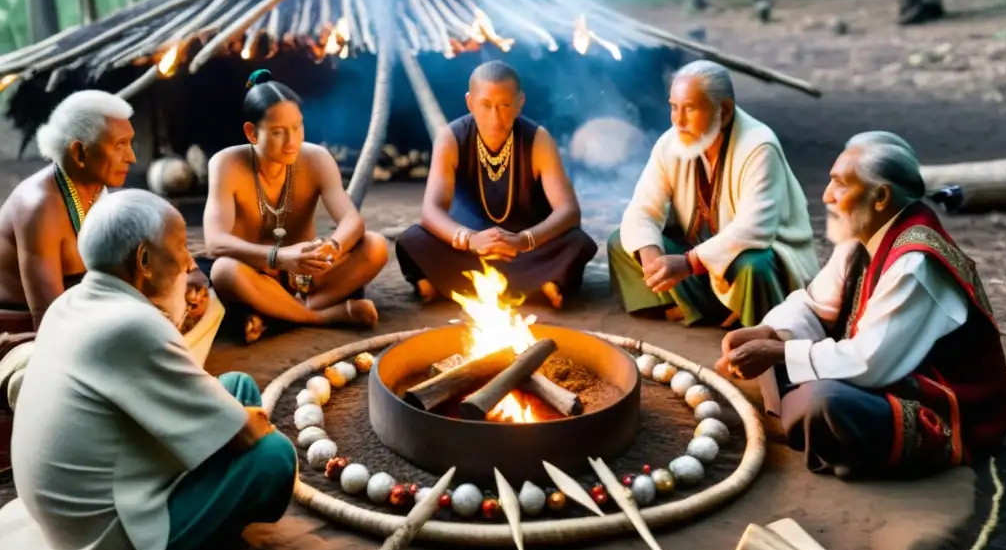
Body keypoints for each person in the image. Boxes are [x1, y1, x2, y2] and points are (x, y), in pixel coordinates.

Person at [0, 189, 297, 550]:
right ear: (143, 261)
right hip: (102, 537)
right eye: (179, 248)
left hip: (62, 512)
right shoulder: (131, 325)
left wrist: (234, 418)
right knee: (273, 456)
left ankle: (205, 506)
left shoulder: (72, 302)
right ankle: (196, 541)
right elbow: (249, 433)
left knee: (237, 385)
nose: (192, 263)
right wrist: (247, 424)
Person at [716, 132, 1006, 478]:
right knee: (785, 365)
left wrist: (779, 352)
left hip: (939, 401)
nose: (826, 196)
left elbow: (871, 363)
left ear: (881, 196)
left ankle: (819, 428)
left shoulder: (916, 263)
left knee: (823, 402)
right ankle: (814, 425)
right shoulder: (863, 233)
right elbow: (816, 305)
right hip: (880, 370)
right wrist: (768, 332)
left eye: (840, 184)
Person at [0, 92, 223, 468]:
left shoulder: (99, 194)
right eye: (120, 145)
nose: (133, 157)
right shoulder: (39, 207)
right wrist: (139, 328)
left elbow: (156, 256)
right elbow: (54, 325)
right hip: (27, 338)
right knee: (48, 376)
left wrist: (193, 277)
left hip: (88, 313)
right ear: (80, 152)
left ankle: (142, 392)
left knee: (206, 305)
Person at [607, 60, 819, 329]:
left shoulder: (759, 145)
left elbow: (754, 229)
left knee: (754, 263)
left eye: (690, 109)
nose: (678, 120)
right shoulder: (671, 142)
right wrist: (653, 261)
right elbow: (642, 211)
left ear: (725, 111)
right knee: (623, 242)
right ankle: (704, 308)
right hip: (700, 262)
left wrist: (687, 263)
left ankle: (751, 320)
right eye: (674, 107)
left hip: (747, 267)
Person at [202, 70, 388, 342]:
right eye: (278, 132)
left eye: (297, 127)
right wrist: (280, 257)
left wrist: (332, 248)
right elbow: (215, 242)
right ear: (251, 132)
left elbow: (351, 220)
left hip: (310, 277)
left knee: (376, 246)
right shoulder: (226, 164)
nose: (292, 141)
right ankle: (324, 316)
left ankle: (279, 315)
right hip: (257, 276)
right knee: (223, 271)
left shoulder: (316, 158)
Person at [396, 61, 597, 308]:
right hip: (469, 250)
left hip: (526, 251)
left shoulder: (538, 141)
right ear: (470, 103)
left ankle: (448, 285)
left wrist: (523, 240)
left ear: (519, 102)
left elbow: (568, 211)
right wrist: (472, 240)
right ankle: (538, 286)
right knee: (412, 240)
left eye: (504, 105)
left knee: (577, 242)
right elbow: (431, 211)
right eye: (486, 105)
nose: (495, 117)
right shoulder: (451, 138)